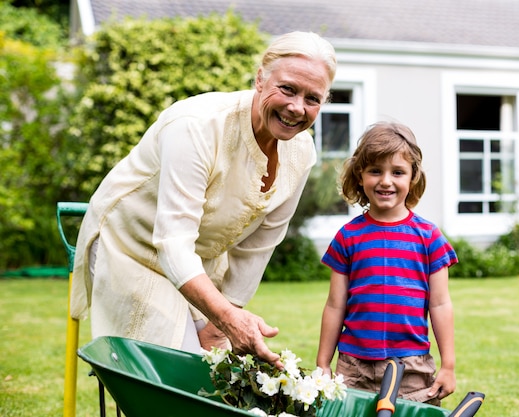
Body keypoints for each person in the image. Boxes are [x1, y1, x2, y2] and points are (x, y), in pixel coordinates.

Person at [69, 31, 337, 367]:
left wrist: (222, 320)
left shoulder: (301, 151)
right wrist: (227, 319)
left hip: (198, 261)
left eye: (313, 98)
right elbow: (172, 241)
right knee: (180, 364)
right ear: (260, 79)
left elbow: (258, 247)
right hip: (130, 247)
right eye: (287, 89)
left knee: (215, 366)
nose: (297, 107)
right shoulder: (197, 125)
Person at [316, 121, 457, 405]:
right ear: (360, 175)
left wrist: (448, 366)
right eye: (375, 171)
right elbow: (335, 304)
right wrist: (323, 363)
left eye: (398, 172)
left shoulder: (429, 237)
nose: (386, 181)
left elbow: (440, 304)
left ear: (413, 177)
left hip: (411, 368)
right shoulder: (348, 237)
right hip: (354, 367)